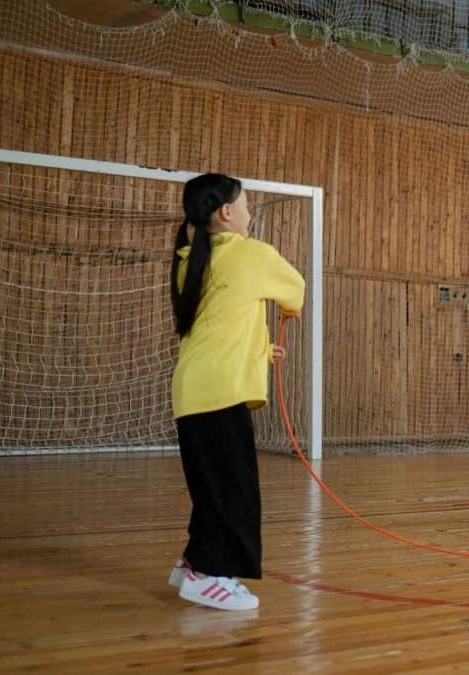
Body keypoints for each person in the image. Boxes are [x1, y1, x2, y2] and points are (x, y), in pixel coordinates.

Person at [165, 173, 305, 610]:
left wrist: (259, 348)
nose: (249, 213)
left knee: (214, 487)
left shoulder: (190, 259)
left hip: (193, 392)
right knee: (234, 491)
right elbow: (295, 292)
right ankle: (208, 576)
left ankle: (192, 564)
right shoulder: (252, 255)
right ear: (226, 213)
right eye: (246, 205)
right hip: (221, 393)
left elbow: (219, 322)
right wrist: (284, 308)